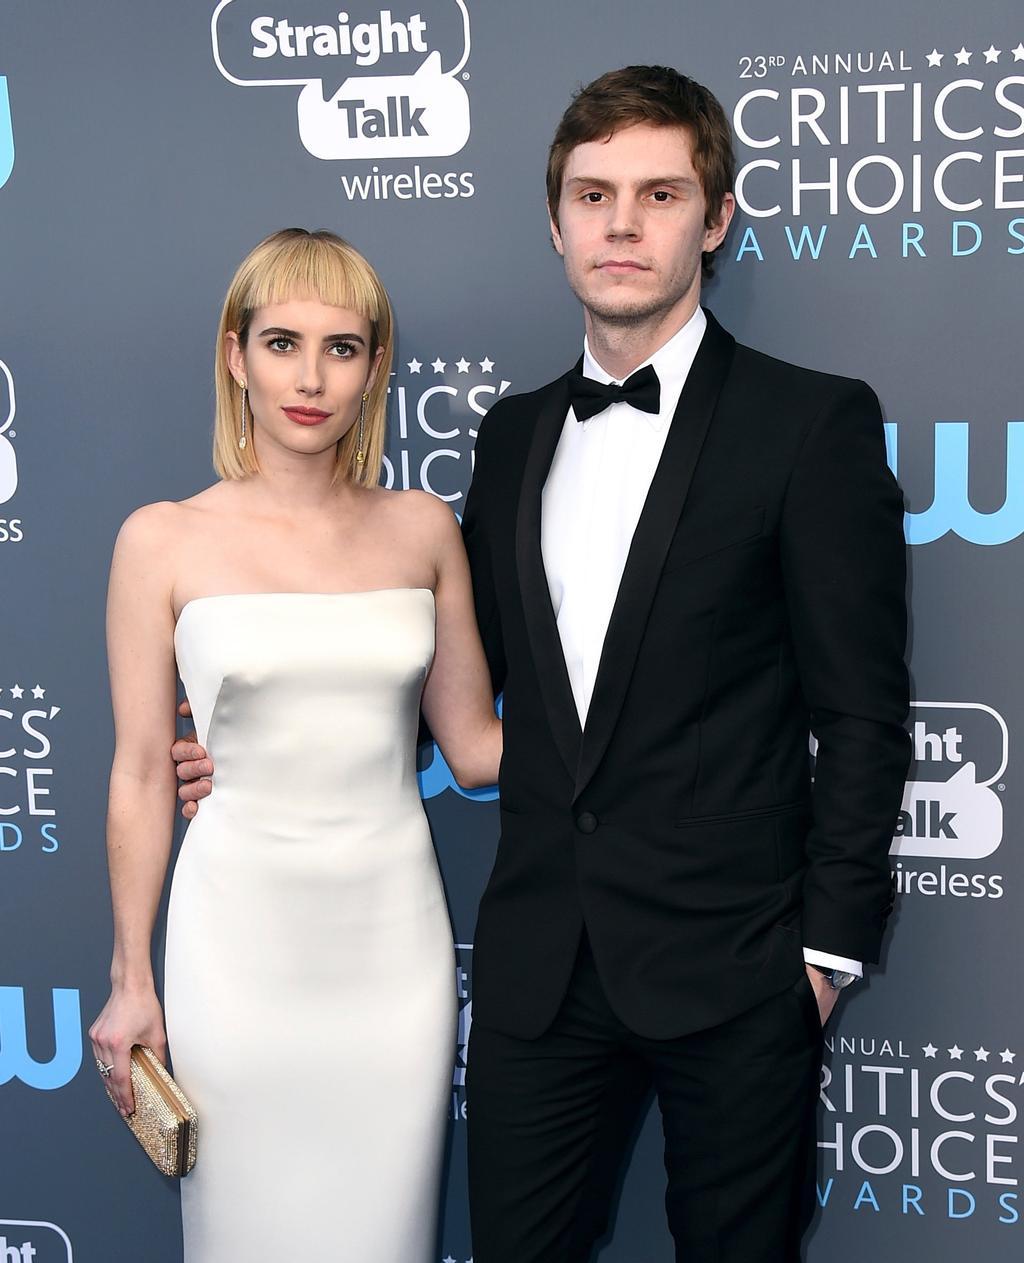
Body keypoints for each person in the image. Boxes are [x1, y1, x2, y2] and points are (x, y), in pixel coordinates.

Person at [176, 66, 910, 1262]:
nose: (622, 223)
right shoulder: (514, 432)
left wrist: (822, 960)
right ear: (555, 223)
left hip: (734, 972)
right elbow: (450, 680)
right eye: (593, 194)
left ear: (714, 220)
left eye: (660, 193)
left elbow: (866, 714)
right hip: (537, 975)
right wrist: (271, 747)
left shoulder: (809, 423)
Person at [89, 228, 501, 1262]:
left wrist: (664, 716)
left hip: (390, 951)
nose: (310, 378)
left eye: (342, 348)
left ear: (375, 369)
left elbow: (479, 748)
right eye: (281, 343)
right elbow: (143, 770)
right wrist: (131, 976)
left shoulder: (422, 529)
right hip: (237, 950)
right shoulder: (161, 540)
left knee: (385, 1232)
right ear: (235, 356)